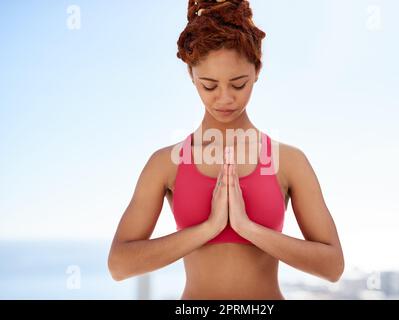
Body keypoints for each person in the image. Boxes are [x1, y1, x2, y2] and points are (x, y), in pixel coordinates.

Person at [108, 0, 344, 300]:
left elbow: (333, 266)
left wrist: (249, 229)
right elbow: (119, 265)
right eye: (209, 86)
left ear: (257, 70)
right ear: (191, 75)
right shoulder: (165, 164)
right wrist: (209, 228)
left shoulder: (289, 162)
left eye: (238, 84)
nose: (225, 98)